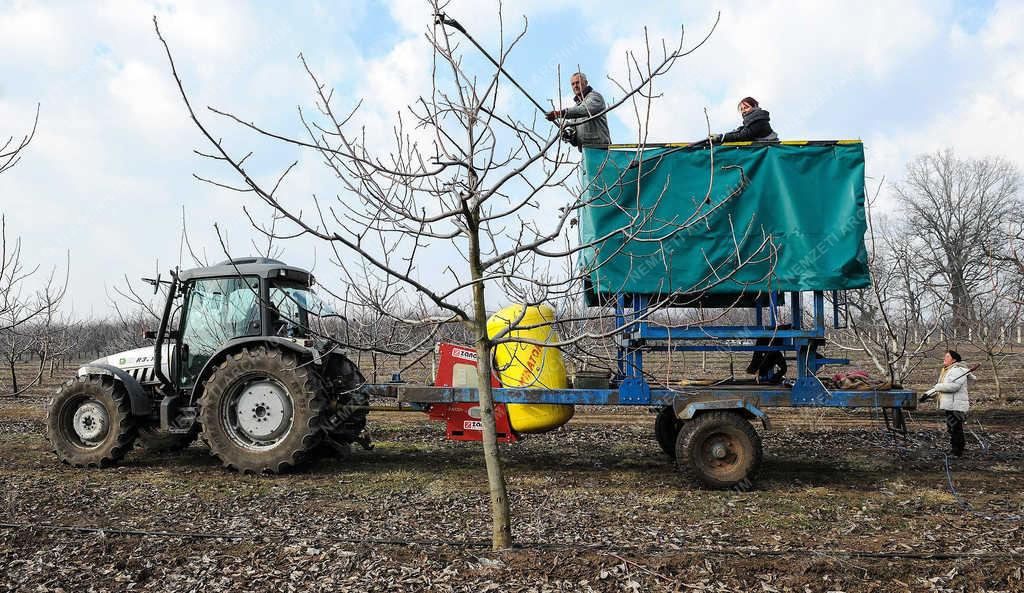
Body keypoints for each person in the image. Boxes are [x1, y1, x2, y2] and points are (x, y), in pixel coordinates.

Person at [923, 350, 976, 457]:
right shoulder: (948, 370)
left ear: (954, 360)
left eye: (947, 356)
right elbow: (943, 386)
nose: (945, 358)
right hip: (951, 404)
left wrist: (937, 387)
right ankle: (955, 449)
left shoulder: (957, 370)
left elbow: (953, 387)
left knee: (955, 428)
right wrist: (927, 394)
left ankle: (957, 451)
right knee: (952, 428)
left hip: (956, 405)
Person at [545, 72, 611, 148]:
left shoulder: (595, 97)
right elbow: (576, 141)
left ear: (586, 83)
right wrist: (569, 136)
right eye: (573, 84)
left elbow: (584, 110)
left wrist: (560, 113)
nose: (575, 86)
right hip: (586, 151)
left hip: (602, 149)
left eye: (578, 82)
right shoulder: (575, 109)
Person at [711, 97, 778, 143]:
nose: (743, 111)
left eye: (746, 107)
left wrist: (722, 137)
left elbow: (743, 136)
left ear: (754, 106)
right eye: (741, 109)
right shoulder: (753, 120)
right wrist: (721, 136)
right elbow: (741, 132)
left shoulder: (758, 120)